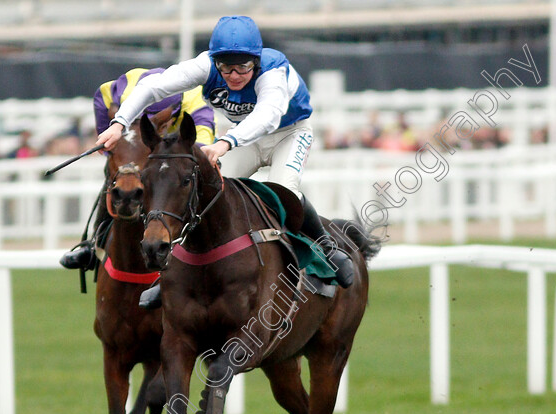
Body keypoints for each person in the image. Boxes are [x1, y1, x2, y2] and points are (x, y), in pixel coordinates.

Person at [95, 15, 356, 308]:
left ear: (256, 61)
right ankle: (170, 275)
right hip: (244, 136)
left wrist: (225, 142)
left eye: (243, 66)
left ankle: (327, 249)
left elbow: (268, 115)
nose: (233, 74)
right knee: (209, 191)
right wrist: (119, 123)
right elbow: (154, 87)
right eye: (225, 66)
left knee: (284, 188)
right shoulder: (205, 65)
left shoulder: (273, 70)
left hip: (289, 134)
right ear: (215, 61)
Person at [59, 67, 216, 272]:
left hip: (176, 145)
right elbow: (101, 96)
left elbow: (203, 147)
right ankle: (93, 244)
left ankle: (201, 250)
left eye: (157, 117)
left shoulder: (195, 99)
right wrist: (109, 142)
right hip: (133, 135)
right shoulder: (119, 93)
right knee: (119, 176)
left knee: (189, 177)